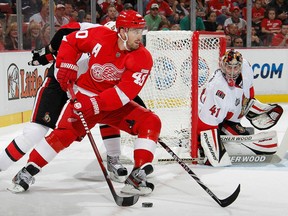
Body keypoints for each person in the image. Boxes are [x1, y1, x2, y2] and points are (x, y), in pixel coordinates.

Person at [8, 10, 161, 196]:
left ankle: (137, 176)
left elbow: (124, 93)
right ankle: (27, 172)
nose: (140, 36)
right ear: (122, 31)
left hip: (112, 104)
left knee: (151, 121)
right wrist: (67, 64)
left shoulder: (143, 57)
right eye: (135, 31)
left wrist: (96, 104)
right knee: (63, 136)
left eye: (141, 31)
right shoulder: (101, 36)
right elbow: (70, 41)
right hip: (85, 97)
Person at [198, 49, 282, 166]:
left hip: (228, 115)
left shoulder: (246, 67)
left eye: (236, 68)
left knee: (265, 147)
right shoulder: (218, 88)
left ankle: (226, 131)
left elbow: (249, 91)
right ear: (222, 66)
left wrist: (250, 109)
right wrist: (209, 150)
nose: (232, 72)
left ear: (240, 66)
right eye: (228, 67)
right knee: (259, 148)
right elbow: (206, 123)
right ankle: (200, 141)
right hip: (205, 119)